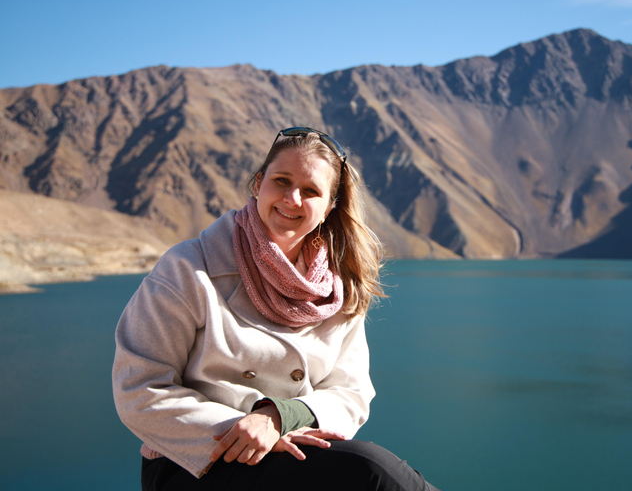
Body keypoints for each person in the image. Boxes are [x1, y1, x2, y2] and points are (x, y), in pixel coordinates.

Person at [112, 127, 440, 491]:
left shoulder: (338, 286)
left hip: (292, 450)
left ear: (330, 206)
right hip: (196, 463)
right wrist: (239, 430)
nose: (292, 198)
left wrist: (280, 417)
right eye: (281, 181)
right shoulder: (189, 268)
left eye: (311, 191)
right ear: (258, 184)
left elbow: (352, 393)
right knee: (368, 472)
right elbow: (138, 389)